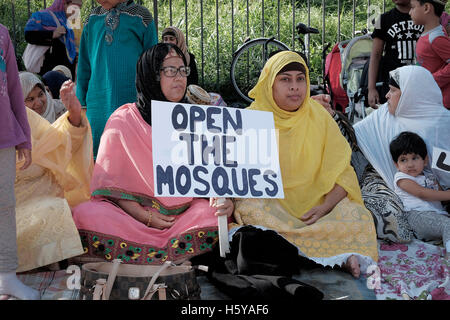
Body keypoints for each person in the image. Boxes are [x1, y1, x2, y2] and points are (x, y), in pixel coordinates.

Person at [72, 43, 233, 265]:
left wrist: (224, 199)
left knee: (212, 215)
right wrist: (143, 215)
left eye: (183, 70)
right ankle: (177, 257)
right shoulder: (123, 120)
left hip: (182, 216)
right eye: (170, 70)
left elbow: (215, 175)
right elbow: (111, 184)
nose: (179, 77)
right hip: (129, 215)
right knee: (85, 214)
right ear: (151, 75)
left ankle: (138, 259)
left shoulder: (197, 119)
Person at [231, 50, 379, 278]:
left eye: (300, 79)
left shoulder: (319, 117)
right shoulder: (251, 119)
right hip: (273, 209)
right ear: (269, 84)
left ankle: (337, 255)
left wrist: (326, 206)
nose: (295, 87)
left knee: (357, 216)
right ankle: (335, 254)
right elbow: (235, 174)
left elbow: (343, 174)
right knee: (249, 212)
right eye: (285, 79)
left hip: (318, 207)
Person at [13, 78, 93, 274]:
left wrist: (74, 114)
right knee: (52, 210)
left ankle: (65, 273)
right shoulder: (11, 122)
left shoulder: (33, 123)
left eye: (40, 95)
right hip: (15, 203)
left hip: (52, 195)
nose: (38, 103)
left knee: (67, 209)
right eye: (29, 99)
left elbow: (62, 143)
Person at [76, 0, 158, 158]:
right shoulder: (92, 19)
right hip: (97, 106)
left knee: (129, 157)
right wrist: (81, 104)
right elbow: (84, 66)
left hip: (132, 103)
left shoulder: (142, 17)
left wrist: (150, 103)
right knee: (98, 157)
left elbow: (152, 64)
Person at [0, 23, 40, 300]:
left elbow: (14, 88)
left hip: (2, 135)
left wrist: (24, 138)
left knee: (4, 206)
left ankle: (6, 278)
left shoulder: (3, 33)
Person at [389, 131, 450, 259]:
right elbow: (422, 193)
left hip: (436, 215)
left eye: (415, 158)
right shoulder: (401, 178)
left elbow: (440, 196)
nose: (410, 164)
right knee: (448, 225)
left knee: (446, 223)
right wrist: (447, 195)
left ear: (425, 160)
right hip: (416, 216)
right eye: (403, 160)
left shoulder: (430, 176)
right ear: (397, 165)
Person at [368, 0, 424, 109]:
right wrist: (371, 88)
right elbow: (375, 54)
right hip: (393, 84)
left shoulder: (424, 16)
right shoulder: (383, 19)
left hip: (420, 81)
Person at [24, 0, 82, 77]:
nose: (77, 11)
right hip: (49, 71)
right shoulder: (44, 16)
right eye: (75, 7)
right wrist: (52, 34)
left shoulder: (72, 22)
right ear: (64, 4)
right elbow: (29, 36)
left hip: (66, 73)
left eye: (79, 8)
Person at [409, 0, 450, 108]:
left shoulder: (436, 38)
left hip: (441, 103)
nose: (409, 12)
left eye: (412, 7)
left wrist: (431, 79)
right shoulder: (428, 34)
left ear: (426, 8)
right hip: (429, 98)